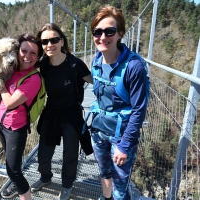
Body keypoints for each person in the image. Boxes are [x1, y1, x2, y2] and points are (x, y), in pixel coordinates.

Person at [90, 6, 148, 200]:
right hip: (99, 131)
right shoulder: (97, 60)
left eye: (110, 31)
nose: (103, 36)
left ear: (120, 34)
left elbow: (139, 110)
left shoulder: (134, 67)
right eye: (97, 32)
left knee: (120, 184)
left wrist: (124, 146)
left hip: (121, 136)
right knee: (105, 172)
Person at [31, 23, 93, 200]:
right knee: (44, 152)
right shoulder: (42, 65)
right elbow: (24, 72)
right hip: (51, 112)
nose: (49, 44)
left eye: (54, 40)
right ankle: (45, 177)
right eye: (45, 41)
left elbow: (97, 82)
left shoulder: (75, 64)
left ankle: (67, 185)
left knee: (70, 153)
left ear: (62, 41)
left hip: (72, 113)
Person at [0, 33, 43, 200]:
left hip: (15, 129)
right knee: (12, 166)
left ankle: (25, 195)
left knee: (13, 170)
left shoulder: (34, 78)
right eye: (24, 51)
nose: (27, 57)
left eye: (33, 53)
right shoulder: (12, 68)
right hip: (1, 123)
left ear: (38, 57)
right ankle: (17, 186)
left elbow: (9, 103)